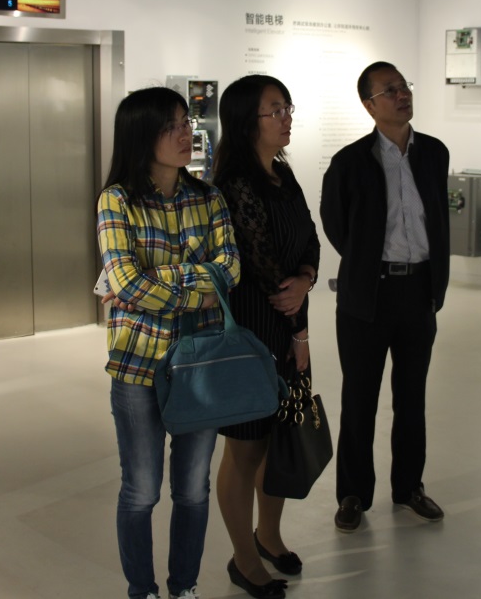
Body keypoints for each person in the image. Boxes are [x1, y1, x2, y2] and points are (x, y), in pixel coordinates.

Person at [97, 86, 241, 599]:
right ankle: (143, 590)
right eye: (172, 125)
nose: (186, 133)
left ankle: (184, 587)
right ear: (142, 135)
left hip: (201, 364)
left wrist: (163, 282)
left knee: (193, 489)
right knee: (141, 491)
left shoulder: (209, 197)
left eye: (186, 122)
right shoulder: (117, 200)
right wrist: (196, 284)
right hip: (139, 364)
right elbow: (125, 282)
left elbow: (230, 271)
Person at [320, 61, 450, 533]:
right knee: (359, 398)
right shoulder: (349, 162)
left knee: (412, 398)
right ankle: (353, 493)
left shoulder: (434, 152)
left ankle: (409, 487)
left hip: (418, 290)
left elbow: (437, 216)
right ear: (369, 105)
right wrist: (365, 263)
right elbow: (336, 225)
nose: (401, 95)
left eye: (403, 86)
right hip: (366, 296)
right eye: (389, 90)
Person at [212, 74, 321, 599]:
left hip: (289, 321)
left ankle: (269, 535)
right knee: (245, 448)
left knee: (281, 436)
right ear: (245, 121)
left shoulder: (283, 173)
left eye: (287, 107)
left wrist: (307, 278)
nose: (286, 117)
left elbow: (310, 239)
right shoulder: (235, 184)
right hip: (253, 333)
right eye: (275, 110)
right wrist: (299, 329)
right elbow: (263, 267)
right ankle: (244, 559)